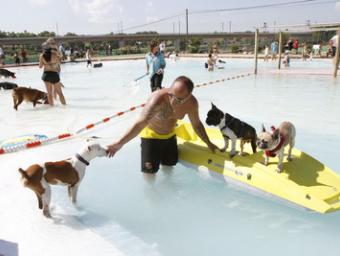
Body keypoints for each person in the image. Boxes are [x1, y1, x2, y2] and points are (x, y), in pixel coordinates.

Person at [107, 76, 218, 176]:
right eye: (171, 95)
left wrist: (209, 143)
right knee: (149, 173)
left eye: (178, 99)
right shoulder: (157, 99)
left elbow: (197, 125)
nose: (173, 100)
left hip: (170, 136)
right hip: (151, 137)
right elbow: (141, 122)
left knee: (169, 167)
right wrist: (119, 143)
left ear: (188, 96)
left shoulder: (192, 104)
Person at [39, 40, 66, 106]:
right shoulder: (55, 55)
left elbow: (40, 66)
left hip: (46, 75)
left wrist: (46, 64)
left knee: (49, 94)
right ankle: (65, 106)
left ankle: (52, 108)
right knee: (60, 93)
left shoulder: (42, 56)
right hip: (54, 74)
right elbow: (61, 58)